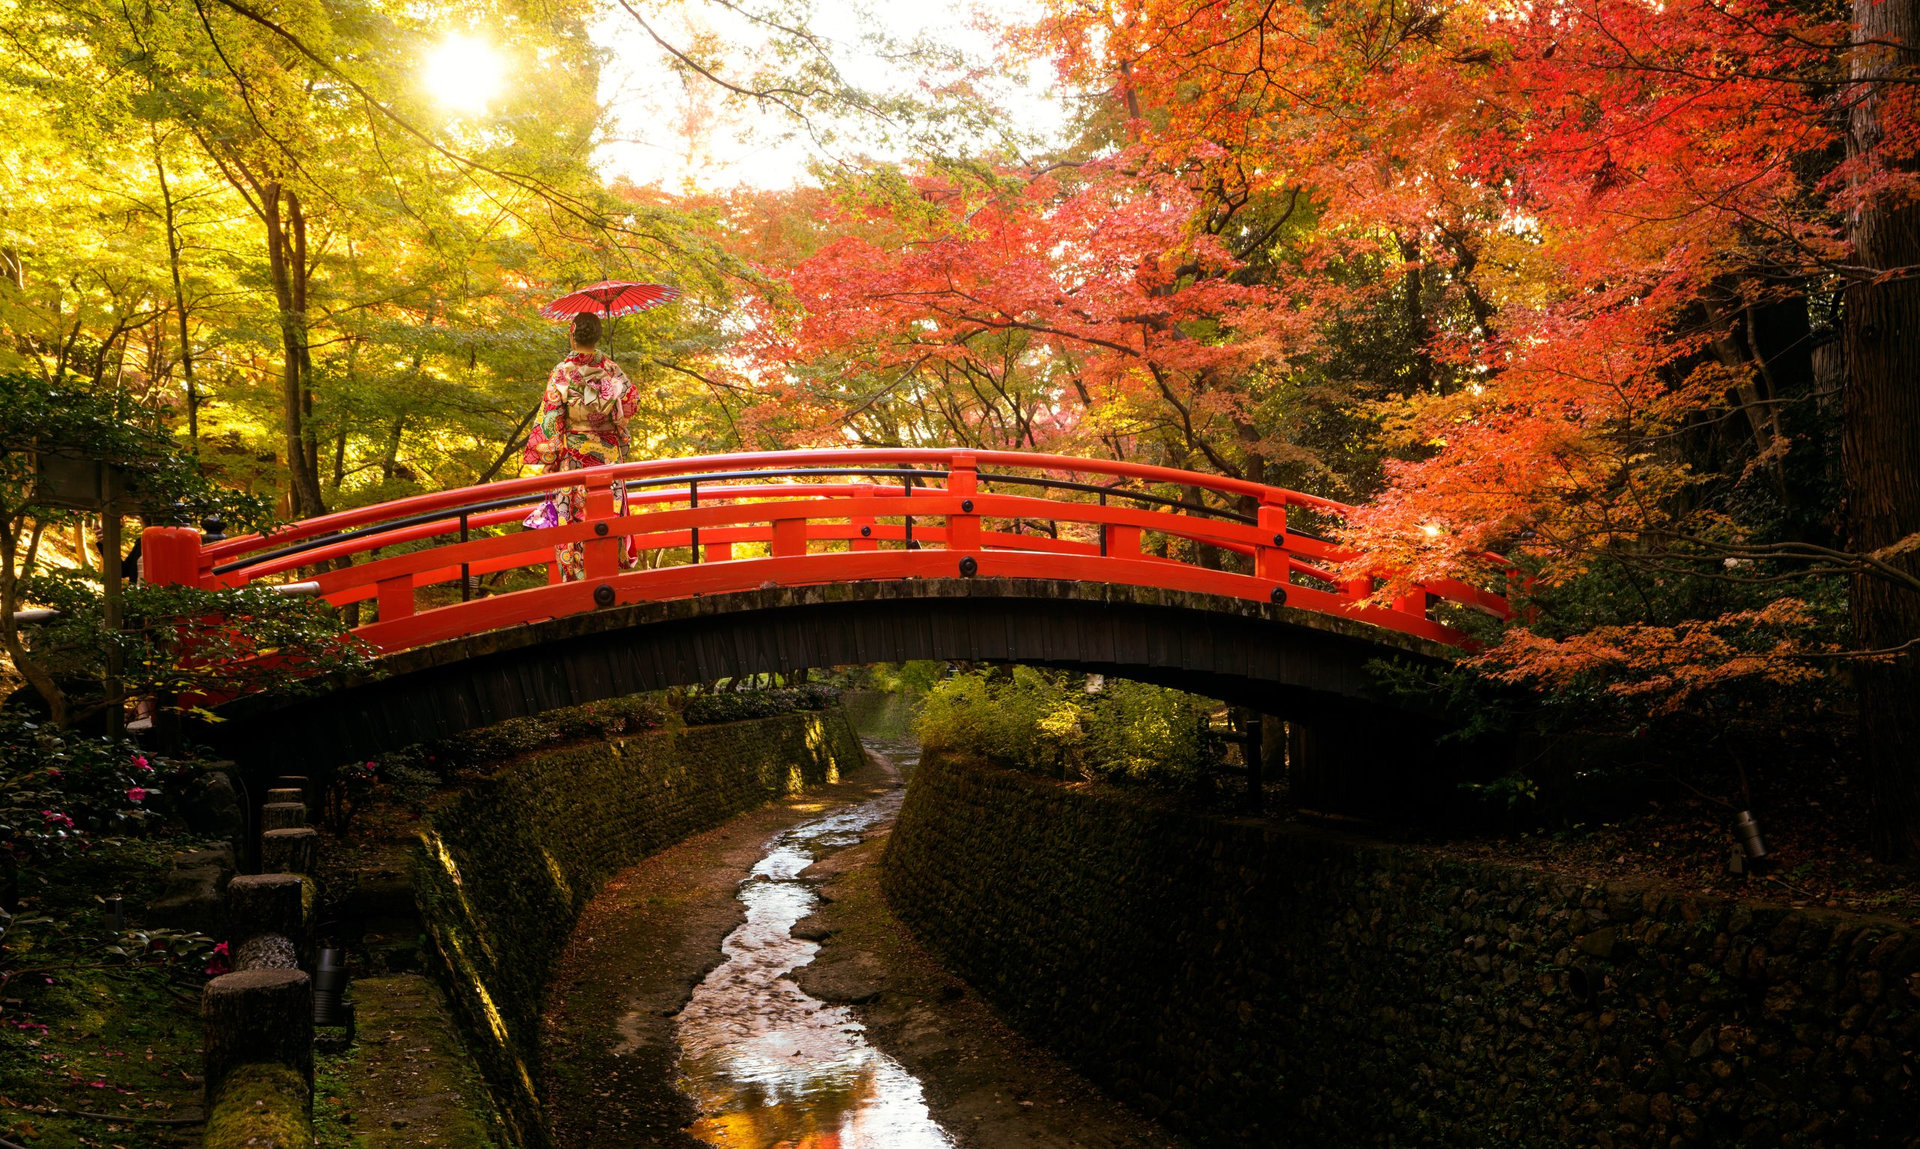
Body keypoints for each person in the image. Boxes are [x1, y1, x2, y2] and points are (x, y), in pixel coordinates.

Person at [523, 312, 640, 581]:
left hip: (575, 457)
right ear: (598, 336)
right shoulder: (612, 369)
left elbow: (551, 419)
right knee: (608, 514)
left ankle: (577, 577)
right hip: (609, 458)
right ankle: (610, 575)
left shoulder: (563, 372)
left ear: (573, 336)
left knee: (575, 517)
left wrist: (550, 459)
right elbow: (631, 404)